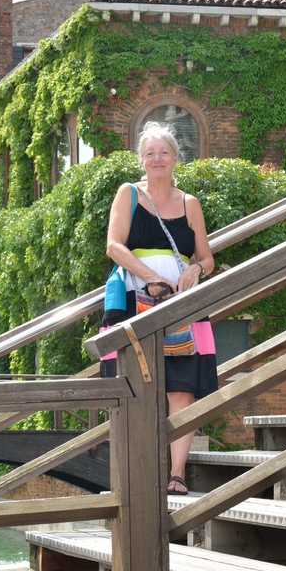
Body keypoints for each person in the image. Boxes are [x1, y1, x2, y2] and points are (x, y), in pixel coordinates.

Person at [103, 121, 217, 496]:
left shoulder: (190, 203)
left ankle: (177, 474)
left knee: (182, 388)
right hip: (134, 296)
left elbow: (206, 257)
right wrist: (151, 276)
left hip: (181, 303)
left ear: (175, 158)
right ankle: (135, 474)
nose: (157, 159)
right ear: (141, 159)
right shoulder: (128, 194)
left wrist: (197, 270)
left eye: (164, 152)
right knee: (133, 385)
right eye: (150, 153)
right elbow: (114, 246)